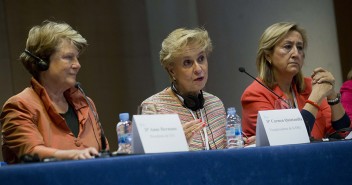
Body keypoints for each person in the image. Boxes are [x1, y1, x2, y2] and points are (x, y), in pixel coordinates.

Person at [0, 20, 109, 164]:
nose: (77, 65)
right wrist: (73, 155)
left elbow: (104, 152)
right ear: (42, 62)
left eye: (77, 58)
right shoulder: (19, 106)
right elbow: (31, 152)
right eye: (68, 57)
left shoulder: (86, 103)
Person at [241, 22, 351, 145]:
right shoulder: (255, 94)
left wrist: (331, 96)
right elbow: (291, 140)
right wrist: (315, 98)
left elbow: (342, 132)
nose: (295, 54)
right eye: (287, 47)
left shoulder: (310, 86)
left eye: (300, 47)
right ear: (268, 56)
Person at [140, 28, 226, 150]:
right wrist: (177, 144)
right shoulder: (154, 108)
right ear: (172, 70)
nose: (198, 69)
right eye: (187, 63)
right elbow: (150, 162)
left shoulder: (216, 104)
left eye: (201, 59)